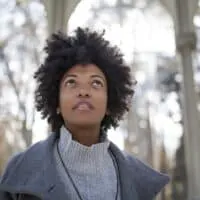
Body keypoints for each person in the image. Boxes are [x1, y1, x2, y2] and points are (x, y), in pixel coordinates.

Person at [0, 27, 169, 200]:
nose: (83, 91)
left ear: (109, 104)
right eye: (71, 82)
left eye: (96, 83)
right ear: (56, 102)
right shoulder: (19, 171)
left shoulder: (139, 181)